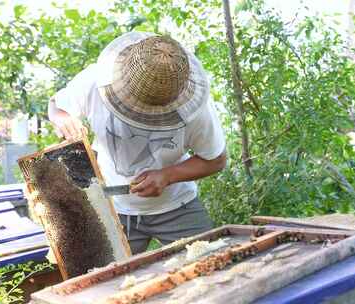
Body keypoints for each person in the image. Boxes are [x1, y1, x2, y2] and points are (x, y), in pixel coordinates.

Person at [48, 32, 226, 254]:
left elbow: (216, 160)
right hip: (113, 207)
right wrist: (64, 119)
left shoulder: (198, 112)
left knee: (209, 268)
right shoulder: (94, 80)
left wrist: (168, 175)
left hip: (178, 207)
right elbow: (57, 106)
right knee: (105, 282)